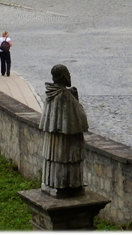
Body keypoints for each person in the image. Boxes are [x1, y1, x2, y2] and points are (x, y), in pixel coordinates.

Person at [39, 64, 89, 197]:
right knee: (66, 160)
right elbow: (80, 119)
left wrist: (73, 97)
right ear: (63, 76)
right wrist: (74, 100)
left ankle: (53, 183)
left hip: (54, 142)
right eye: (68, 73)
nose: (70, 76)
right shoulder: (63, 96)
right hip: (66, 143)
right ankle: (66, 185)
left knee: (56, 158)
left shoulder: (51, 93)